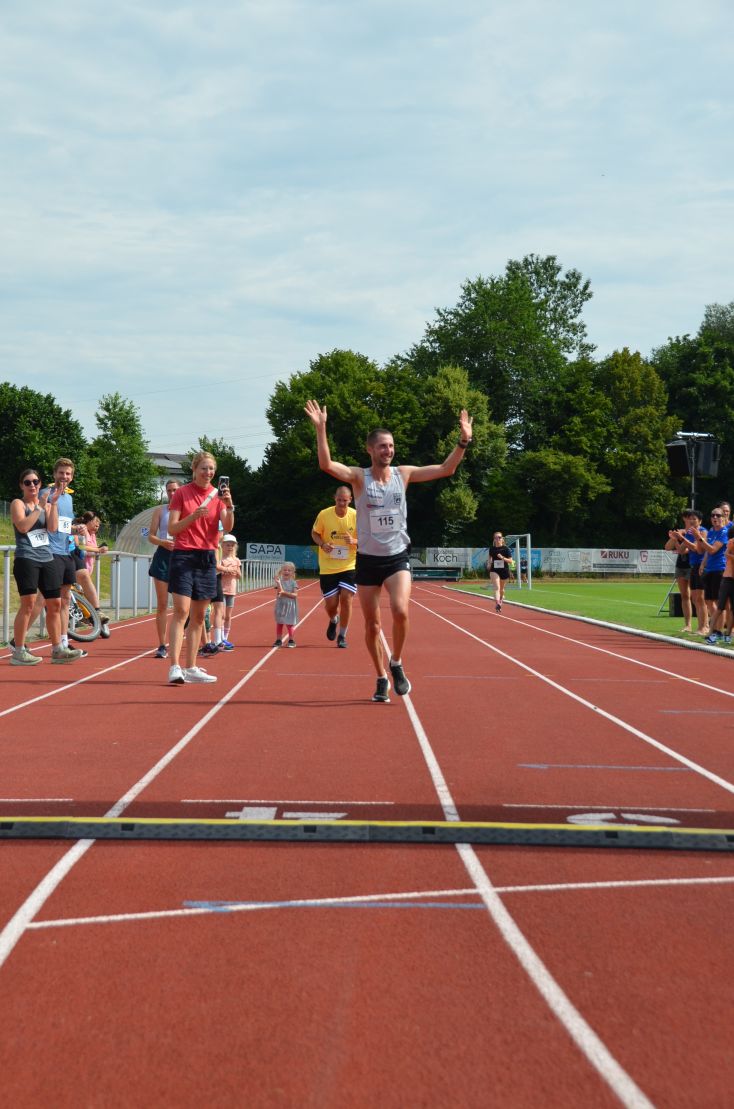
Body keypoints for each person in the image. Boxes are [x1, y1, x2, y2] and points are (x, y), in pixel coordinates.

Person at [304, 399, 473, 703]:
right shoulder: (359, 477)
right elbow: (327, 465)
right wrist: (321, 429)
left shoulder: (402, 474)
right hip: (368, 561)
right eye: (383, 446)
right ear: (370, 449)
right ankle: (381, 676)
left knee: (400, 609)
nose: (388, 450)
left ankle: (396, 662)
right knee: (372, 625)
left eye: (391, 446)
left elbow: (446, 469)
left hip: (396, 557)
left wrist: (463, 441)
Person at [166, 452, 234, 684]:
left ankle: (191, 667)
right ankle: (175, 667)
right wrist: (193, 517)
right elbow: (172, 529)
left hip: (206, 558)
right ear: (194, 469)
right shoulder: (182, 494)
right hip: (184, 555)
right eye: (204, 468)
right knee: (181, 611)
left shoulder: (218, 496)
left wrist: (229, 506)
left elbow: (228, 526)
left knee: (198, 616)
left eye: (211, 469)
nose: (208, 473)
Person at [9, 468, 82, 665]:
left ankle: (58, 649)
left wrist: (54, 504)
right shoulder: (18, 504)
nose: (32, 485)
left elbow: (52, 528)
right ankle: (18, 651)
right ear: (22, 485)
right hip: (27, 558)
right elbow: (23, 526)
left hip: (47, 557)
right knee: (28, 604)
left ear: (40, 484)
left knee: (55, 603)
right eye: (27, 482)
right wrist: (40, 507)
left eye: (35, 482)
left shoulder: (47, 504)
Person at [311, 486, 358, 648]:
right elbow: (314, 533)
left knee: (346, 600)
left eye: (345, 500)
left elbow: (367, 538)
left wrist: (354, 541)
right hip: (328, 566)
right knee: (331, 606)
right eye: (339, 500)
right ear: (334, 498)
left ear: (350, 500)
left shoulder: (356, 516)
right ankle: (333, 619)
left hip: (349, 564)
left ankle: (342, 635)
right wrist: (323, 544)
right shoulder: (324, 514)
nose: (342, 503)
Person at [147, 479, 180, 659]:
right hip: (163, 557)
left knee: (182, 606)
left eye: (175, 490)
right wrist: (162, 542)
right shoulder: (160, 511)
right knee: (162, 604)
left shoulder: (186, 510)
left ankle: (181, 639)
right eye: (169, 490)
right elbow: (151, 536)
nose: (172, 493)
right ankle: (161, 645)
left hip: (181, 557)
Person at [670, 508, 708, 636]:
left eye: (694, 519)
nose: (691, 521)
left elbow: (696, 548)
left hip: (702, 566)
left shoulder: (702, 531)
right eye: (690, 519)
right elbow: (681, 550)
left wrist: (682, 538)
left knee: (700, 599)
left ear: (700, 521)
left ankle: (705, 626)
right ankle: (700, 627)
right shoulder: (690, 533)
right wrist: (676, 539)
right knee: (696, 598)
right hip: (693, 566)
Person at [696, 507, 729, 636]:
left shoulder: (724, 532)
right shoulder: (711, 531)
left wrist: (699, 538)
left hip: (719, 569)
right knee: (709, 601)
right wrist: (703, 564)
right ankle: (715, 628)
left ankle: (718, 630)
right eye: (713, 515)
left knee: (718, 602)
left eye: (718, 515)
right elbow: (707, 552)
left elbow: (712, 550)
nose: (715, 517)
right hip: (709, 569)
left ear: (723, 518)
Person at [74, 512, 109, 624]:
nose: (97, 526)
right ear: (88, 522)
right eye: (95, 523)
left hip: (86, 567)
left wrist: (99, 549)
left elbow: (90, 548)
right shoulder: (81, 529)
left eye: (98, 525)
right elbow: (82, 547)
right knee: (78, 592)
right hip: (77, 565)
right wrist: (98, 550)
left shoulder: (92, 535)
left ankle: (87, 615)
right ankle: (83, 616)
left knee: (82, 592)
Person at [218, 534, 241, 649]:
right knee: (221, 615)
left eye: (232, 545)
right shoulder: (220, 559)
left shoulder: (236, 560)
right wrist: (226, 570)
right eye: (228, 545)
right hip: (221, 590)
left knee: (228, 616)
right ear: (222, 546)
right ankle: (221, 638)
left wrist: (236, 572)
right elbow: (217, 573)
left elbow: (240, 576)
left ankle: (226, 638)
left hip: (231, 591)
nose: (230, 547)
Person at [273, 562, 299, 647]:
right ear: (281, 571)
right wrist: (278, 583)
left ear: (292, 572)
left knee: (289, 624)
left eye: (289, 570)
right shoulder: (279, 582)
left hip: (290, 606)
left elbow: (295, 595)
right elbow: (279, 593)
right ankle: (278, 640)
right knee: (279, 623)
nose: (286, 572)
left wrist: (285, 593)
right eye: (284, 570)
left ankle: (291, 640)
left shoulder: (293, 583)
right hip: (280, 605)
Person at [487, 531, 512, 613]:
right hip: (494, 570)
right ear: (494, 539)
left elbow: (510, 561)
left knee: (501, 589)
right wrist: (489, 563)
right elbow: (490, 557)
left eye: (499, 537)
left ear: (502, 539)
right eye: (496, 537)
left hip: (504, 570)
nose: (498, 539)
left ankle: (500, 600)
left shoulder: (506, 549)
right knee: (497, 587)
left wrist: (502, 558)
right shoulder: (492, 548)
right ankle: (497, 604)